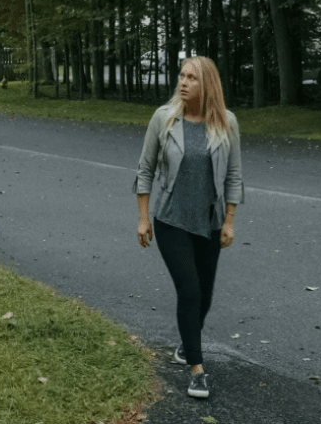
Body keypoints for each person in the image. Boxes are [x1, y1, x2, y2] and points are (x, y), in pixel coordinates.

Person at [134, 56, 243, 399]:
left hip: (209, 223)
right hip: (171, 220)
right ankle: (197, 370)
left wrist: (228, 221)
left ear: (207, 85)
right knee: (190, 291)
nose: (183, 82)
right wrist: (143, 218)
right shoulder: (164, 119)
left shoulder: (226, 122)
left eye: (192, 78)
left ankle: (187, 342)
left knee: (205, 295)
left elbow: (234, 176)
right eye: (182, 76)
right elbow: (145, 170)